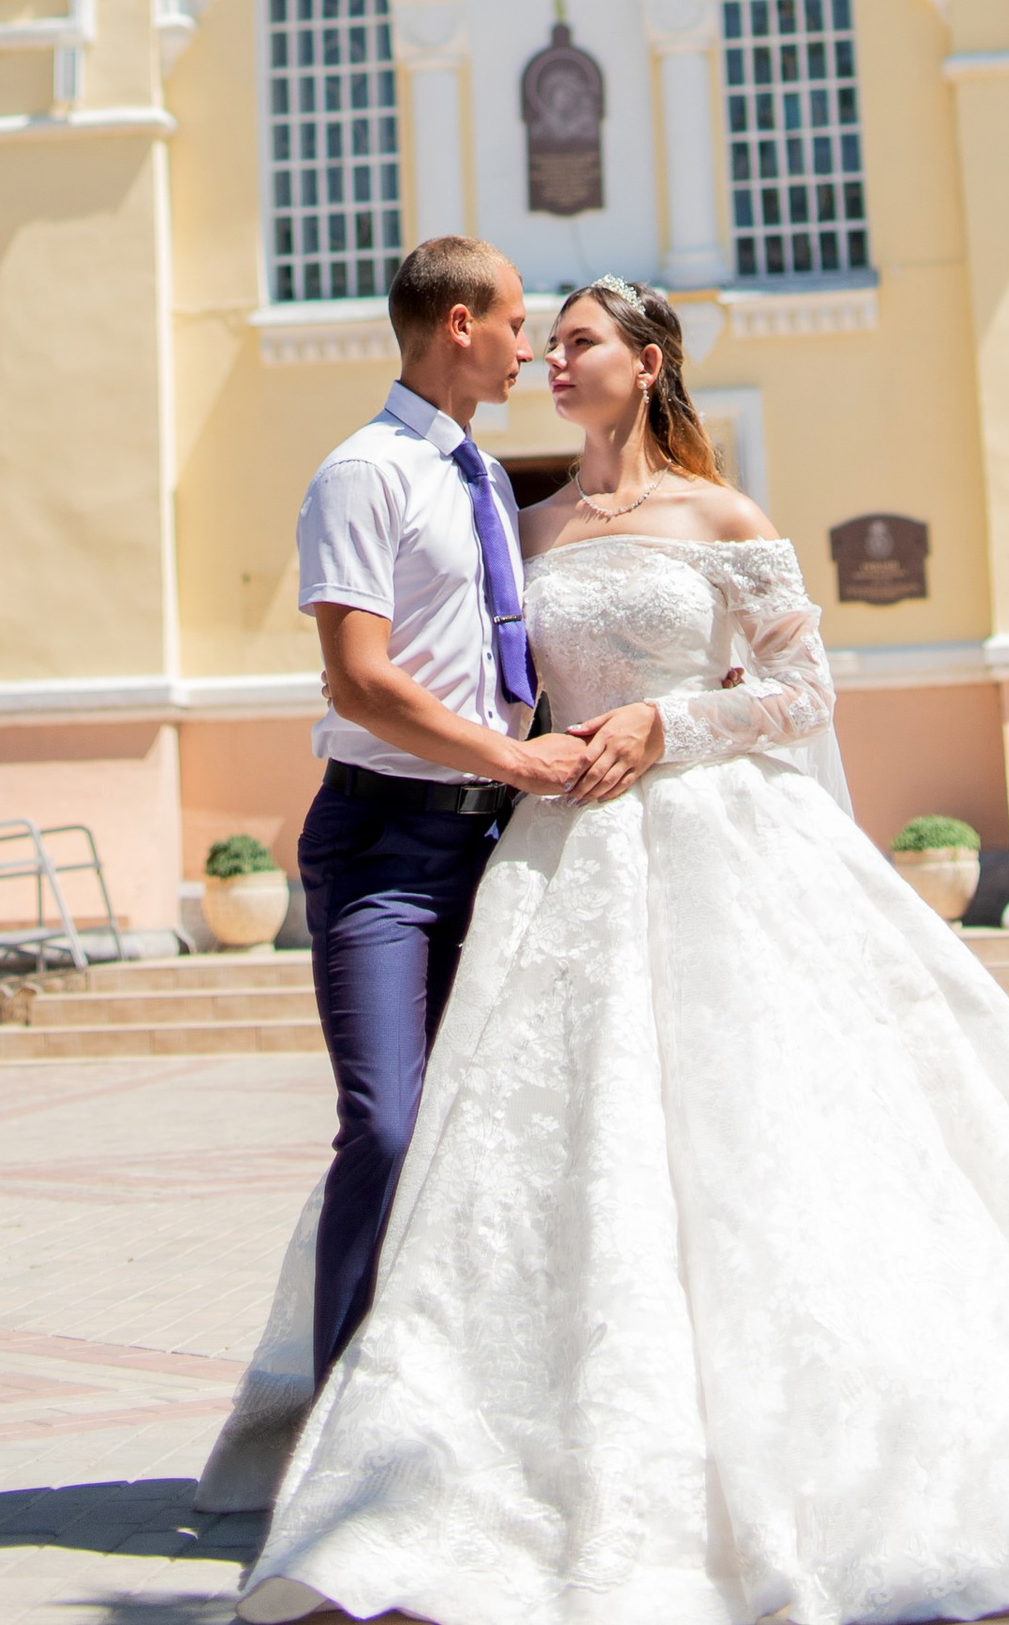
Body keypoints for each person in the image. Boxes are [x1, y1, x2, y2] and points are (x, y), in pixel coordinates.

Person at [225, 272, 1009, 1625]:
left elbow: (801, 689)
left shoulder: (723, 515)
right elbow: (473, 670)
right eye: (542, 338)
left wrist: (670, 726)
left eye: (580, 340)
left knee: (764, 1137)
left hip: (723, 847)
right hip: (562, 862)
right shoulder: (524, 515)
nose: (553, 357)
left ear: (651, 360)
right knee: (557, 1155)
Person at [289, 235, 597, 1403]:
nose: (531, 347)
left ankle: (467, 1399)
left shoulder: (476, 477)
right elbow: (360, 681)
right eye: (517, 323)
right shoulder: (364, 473)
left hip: (493, 844)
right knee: (384, 1122)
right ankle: (338, 1413)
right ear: (459, 325)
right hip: (382, 848)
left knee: (492, 1123)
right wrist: (512, 759)